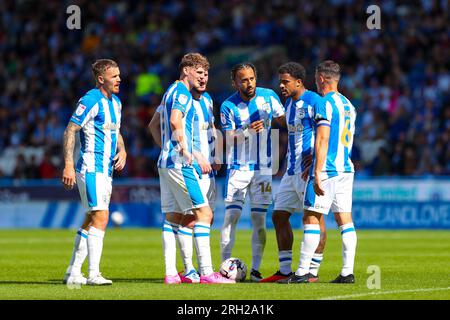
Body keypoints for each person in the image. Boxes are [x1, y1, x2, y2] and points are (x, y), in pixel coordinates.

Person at [155, 52, 233, 284]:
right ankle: (206, 272)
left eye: (206, 74)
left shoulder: (175, 92)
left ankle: (173, 273)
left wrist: (167, 148)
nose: (203, 77)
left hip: (168, 162)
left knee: (174, 218)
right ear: (186, 70)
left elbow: (153, 125)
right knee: (204, 214)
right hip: (184, 164)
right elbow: (174, 121)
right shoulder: (181, 92)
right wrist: (186, 152)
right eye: (199, 72)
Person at [280, 60, 357, 284]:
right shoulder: (348, 104)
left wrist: (317, 170)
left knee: (311, 217)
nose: (315, 82)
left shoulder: (324, 103)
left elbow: (322, 138)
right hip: (346, 168)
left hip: (329, 169)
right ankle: (347, 272)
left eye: (316, 79)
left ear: (321, 79)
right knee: (345, 221)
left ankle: (303, 272)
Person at [62, 59, 127, 286]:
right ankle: (93, 274)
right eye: (114, 76)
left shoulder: (116, 103)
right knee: (101, 216)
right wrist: (68, 164)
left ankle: (72, 272)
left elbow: (115, 131)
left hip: (106, 170)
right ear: (101, 79)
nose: (119, 79)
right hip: (91, 167)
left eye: (119, 75)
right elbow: (70, 130)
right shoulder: (90, 100)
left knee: (91, 218)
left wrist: (123, 150)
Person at [260, 62, 327, 283]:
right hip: (291, 171)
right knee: (279, 216)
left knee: (314, 219)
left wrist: (317, 161)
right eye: (280, 81)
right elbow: (285, 123)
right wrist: (266, 122)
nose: (281, 85)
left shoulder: (315, 102)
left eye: (285, 81)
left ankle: (308, 272)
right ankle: (285, 269)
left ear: (299, 82)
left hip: (308, 172)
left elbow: (328, 133)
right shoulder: (288, 104)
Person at [220, 62, 285, 282]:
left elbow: (284, 120)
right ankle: (224, 269)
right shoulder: (228, 106)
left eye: (252, 78)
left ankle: (256, 269)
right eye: (243, 80)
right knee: (231, 217)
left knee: (259, 220)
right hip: (238, 168)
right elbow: (227, 140)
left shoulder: (269, 97)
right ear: (235, 82)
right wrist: (247, 131)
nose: (249, 83)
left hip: (263, 170)